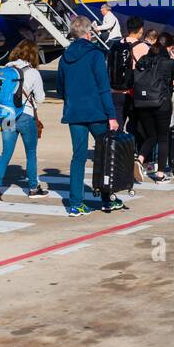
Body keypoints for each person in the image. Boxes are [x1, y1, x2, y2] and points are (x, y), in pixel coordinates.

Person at [57, 16, 120, 215]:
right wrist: (112, 115)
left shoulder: (64, 57)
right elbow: (103, 87)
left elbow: (60, 88)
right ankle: (107, 198)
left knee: (78, 157)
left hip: (74, 113)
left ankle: (75, 203)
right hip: (96, 112)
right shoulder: (95, 55)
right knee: (104, 156)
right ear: (88, 33)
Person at [0, 40, 49, 201]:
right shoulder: (33, 72)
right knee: (30, 154)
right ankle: (33, 188)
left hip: (7, 116)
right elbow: (41, 98)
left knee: (6, 153)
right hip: (24, 116)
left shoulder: (7, 68)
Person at [131, 40, 174, 182]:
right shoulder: (168, 63)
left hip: (142, 103)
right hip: (161, 103)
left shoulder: (142, 61)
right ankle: (160, 173)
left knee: (151, 136)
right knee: (163, 138)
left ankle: (140, 159)